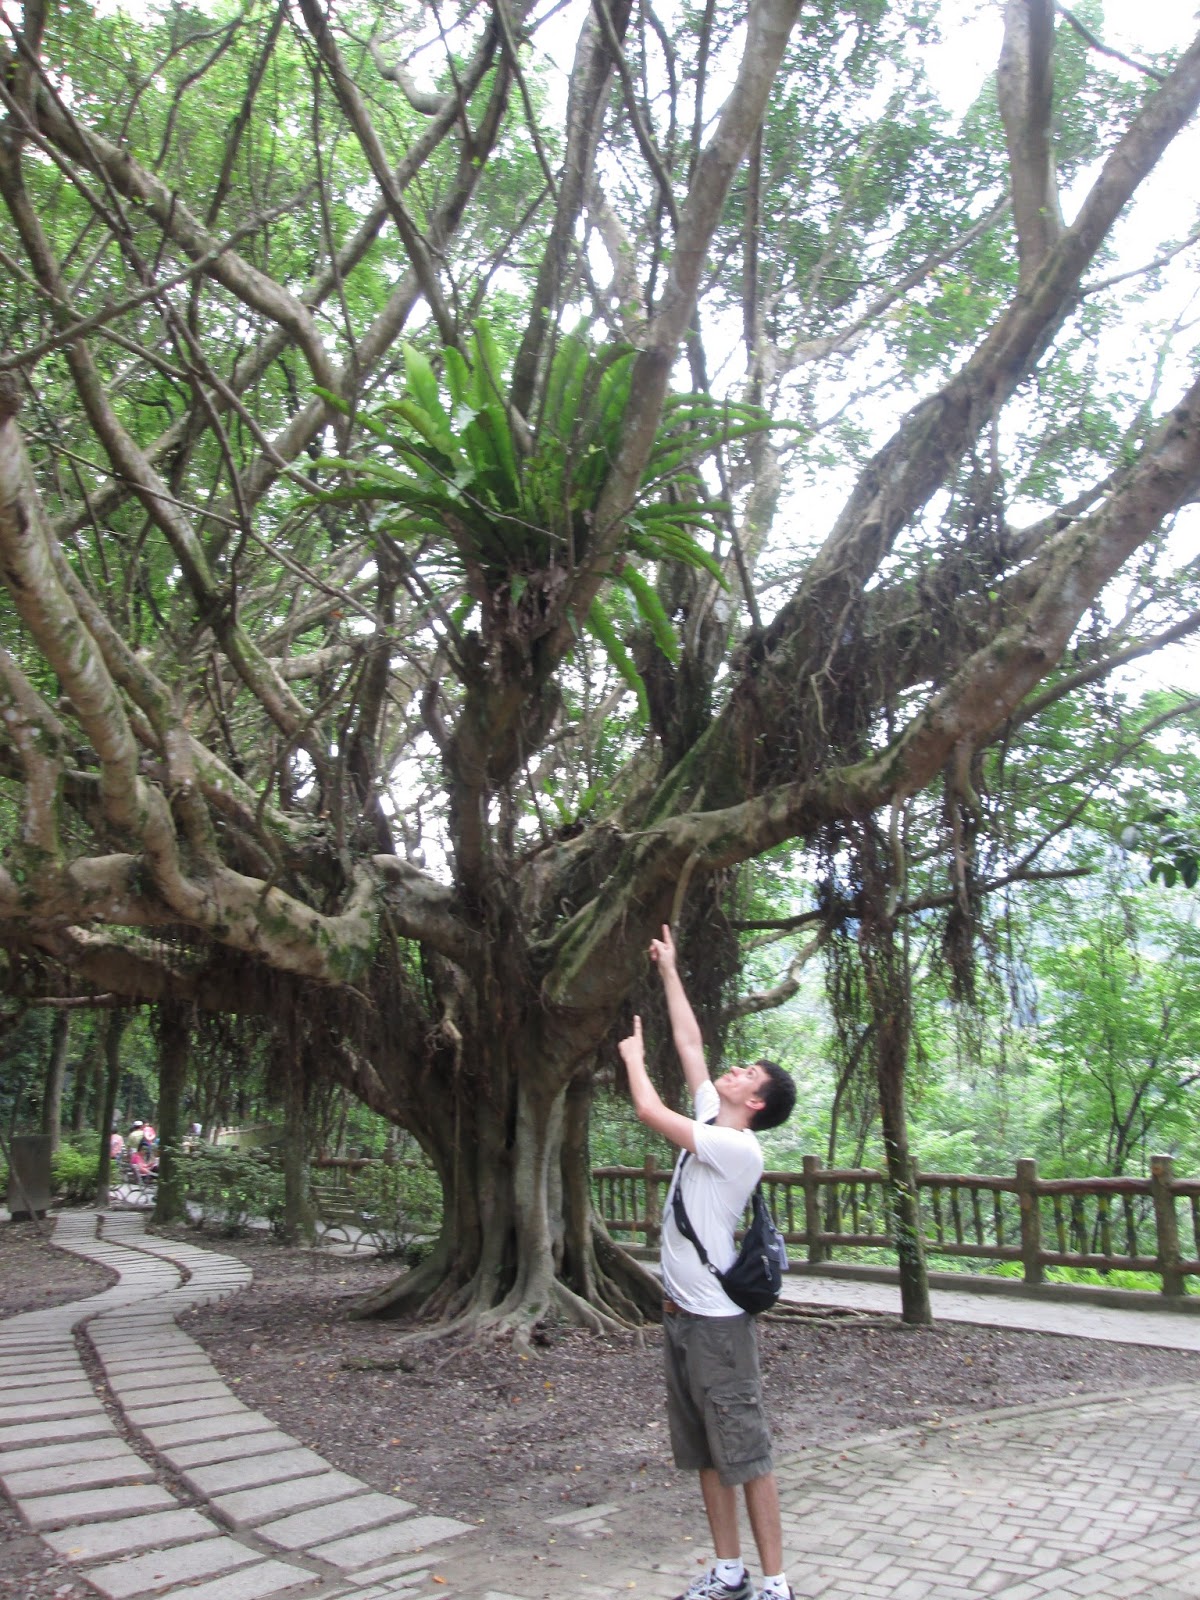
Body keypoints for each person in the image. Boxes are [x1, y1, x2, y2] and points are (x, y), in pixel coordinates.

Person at [619, 925, 797, 1600]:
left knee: (746, 1453)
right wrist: (669, 969)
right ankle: (729, 1571)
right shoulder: (712, 1120)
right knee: (705, 1452)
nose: (737, 1068)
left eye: (750, 1073)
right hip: (682, 1318)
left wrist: (633, 1057)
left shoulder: (738, 1149)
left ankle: (775, 1584)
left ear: (757, 1102)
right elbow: (691, 1045)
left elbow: (646, 1107)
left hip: (719, 1328)